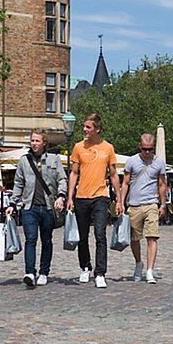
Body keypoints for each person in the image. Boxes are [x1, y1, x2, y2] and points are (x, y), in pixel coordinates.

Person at [67, 113, 122, 289]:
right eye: (84, 126)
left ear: (97, 129)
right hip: (82, 196)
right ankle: (85, 267)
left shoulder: (108, 148)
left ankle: (100, 273)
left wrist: (119, 200)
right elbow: (74, 173)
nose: (84, 129)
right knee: (82, 236)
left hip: (101, 197)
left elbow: (113, 175)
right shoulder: (78, 147)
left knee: (100, 234)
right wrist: (70, 196)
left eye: (88, 127)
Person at [6, 129, 67, 288]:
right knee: (31, 239)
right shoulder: (24, 161)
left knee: (46, 240)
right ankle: (30, 272)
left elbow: (62, 179)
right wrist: (12, 204)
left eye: (37, 141)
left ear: (44, 143)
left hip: (48, 207)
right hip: (29, 207)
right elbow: (18, 183)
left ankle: (44, 272)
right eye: (32, 140)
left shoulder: (54, 159)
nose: (34, 143)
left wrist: (61, 196)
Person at [120, 133, 166, 284]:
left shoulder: (159, 162)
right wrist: (121, 201)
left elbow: (161, 184)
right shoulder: (131, 161)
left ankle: (150, 271)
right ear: (140, 146)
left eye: (150, 149)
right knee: (135, 239)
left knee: (152, 237)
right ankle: (138, 263)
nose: (147, 152)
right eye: (145, 149)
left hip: (151, 204)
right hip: (134, 205)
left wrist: (163, 204)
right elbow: (125, 183)